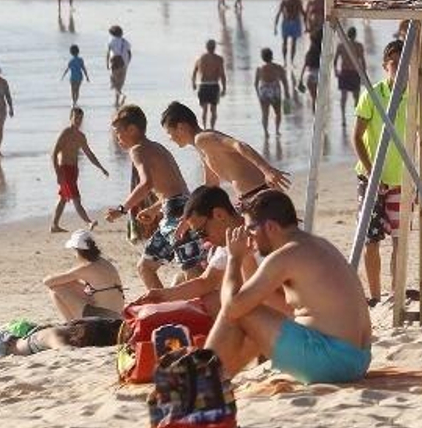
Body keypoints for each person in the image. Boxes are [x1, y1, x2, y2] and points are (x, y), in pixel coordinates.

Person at [203, 189, 373, 384]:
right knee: (247, 307)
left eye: (251, 229)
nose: (249, 236)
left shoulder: (285, 256)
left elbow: (232, 308)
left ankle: (203, 381)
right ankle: (217, 378)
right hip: (357, 359)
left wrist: (234, 259)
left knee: (238, 311)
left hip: (331, 360)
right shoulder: (316, 244)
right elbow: (270, 301)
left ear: (271, 227)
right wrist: (247, 258)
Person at [104, 104, 199, 290]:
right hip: (177, 206)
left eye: (118, 132)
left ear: (132, 129)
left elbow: (146, 184)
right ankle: (164, 309)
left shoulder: (137, 150)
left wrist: (122, 209)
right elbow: (174, 188)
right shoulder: (157, 147)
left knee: (192, 270)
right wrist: (155, 209)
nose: (117, 138)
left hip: (176, 214)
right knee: (145, 267)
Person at [354, 39, 409, 304]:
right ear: (386, 66)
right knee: (370, 239)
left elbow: (421, 139)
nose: (399, 71)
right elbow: (357, 137)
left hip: (401, 180)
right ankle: (375, 297)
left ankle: (396, 295)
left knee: (400, 241)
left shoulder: (414, 96)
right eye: (394, 65)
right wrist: (371, 173)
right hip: (370, 178)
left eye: (403, 66)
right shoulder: (372, 95)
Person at [159, 101, 291, 201]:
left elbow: (239, 145)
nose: (170, 138)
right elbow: (212, 184)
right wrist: (190, 207)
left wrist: (267, 169)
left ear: (181, 127)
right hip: (249, 197)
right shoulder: (200, 146)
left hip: (261, 193)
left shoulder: (203, 139)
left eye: (169, 133)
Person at [51, 107, 109, 232]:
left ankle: (54, 225)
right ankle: (89, 222)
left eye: (80, 118)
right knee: (76, 198)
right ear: (70, 118)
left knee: (63, 198)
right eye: (76, 118)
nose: (78, 121)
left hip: (74, 170)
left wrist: (101, 168)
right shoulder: (65, 133)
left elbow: (89, 154)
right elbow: (54, 153)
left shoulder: (81, 136)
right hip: (64, 169)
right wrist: (58, 173)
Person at [45, 230, 125, 320]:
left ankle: (71, 325)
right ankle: (72, 324)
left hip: (103, 317)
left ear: (78, 251)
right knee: (70, 284)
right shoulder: (104, 262)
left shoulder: (86, 268)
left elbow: (47, 282)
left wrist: (52, 277)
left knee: (55, 290)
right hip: (117, 313)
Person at [191, 38, 228, 129]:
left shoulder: (200, 58)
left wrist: (194, 84)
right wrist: (224, 88)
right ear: (214, 47)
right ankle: (212, 128)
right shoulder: (219, 59)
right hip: (214, 85)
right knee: (213, 110)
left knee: (204, 110)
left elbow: (194, 72)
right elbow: (222, 74)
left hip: (203, 85)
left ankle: (204, 127)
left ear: (206, 47)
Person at [254, 47, 289, 139]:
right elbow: (284, 81)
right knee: (278, 112)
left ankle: (266, 132)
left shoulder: (259, 69)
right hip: (275, 90)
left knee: (265, 113)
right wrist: (287, 93)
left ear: (262, 57)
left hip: (264, 90)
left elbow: (256, 84)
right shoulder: (278, 67)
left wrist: (258, 94)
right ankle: (277, 130)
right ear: (271, 56)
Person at [334, 27, 363, 120]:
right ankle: (356, 118)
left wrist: (336, 71)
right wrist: (363, 75)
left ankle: (343, 117)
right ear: (355, 35)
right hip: (354, 72)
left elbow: (335, 61)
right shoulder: (359, 46)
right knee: (356, 97)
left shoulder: (341, 45)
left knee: (344, 97)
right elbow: (363, 61)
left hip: (344, 72)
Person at [276, 0, 305, 68]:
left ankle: (292, 61)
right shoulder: (284, 1)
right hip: (286, 23)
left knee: (294, 43)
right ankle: (284, 61)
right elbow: (279, 13)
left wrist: (307, 25)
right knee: (284, 42)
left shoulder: (298, 1)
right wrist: (275, 25)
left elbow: (303, 13)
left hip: (295, 22)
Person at [106, 24, 132, 105]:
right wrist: (127, 63)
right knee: (120, 84)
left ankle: (121, 94)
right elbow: (129, 54)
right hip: (124, 64)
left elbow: (107, 53)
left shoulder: (111, 41)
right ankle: (116, 101)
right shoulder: (126, 42)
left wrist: (107, 63)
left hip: (115, 64)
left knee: (114, 81)